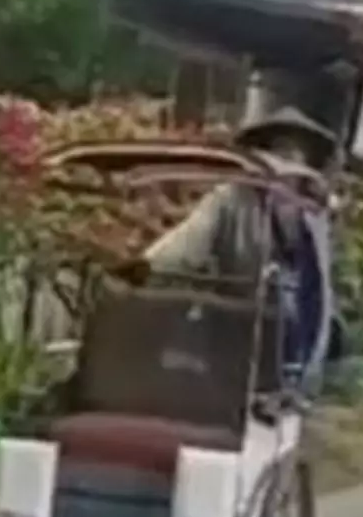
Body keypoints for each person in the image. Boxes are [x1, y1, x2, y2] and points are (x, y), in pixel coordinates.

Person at [141, 106, 339, 394]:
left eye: (295, 152)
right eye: (277, 149)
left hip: (299, 351)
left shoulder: (314, 214)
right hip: (243, 348)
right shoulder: (232, 199)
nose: (285, 160)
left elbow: (320, 282)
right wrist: (143, 269)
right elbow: (183, 245)